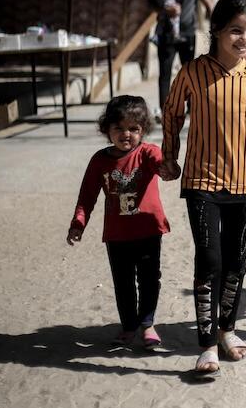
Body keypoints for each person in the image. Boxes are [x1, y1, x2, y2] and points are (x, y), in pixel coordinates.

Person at [160, 0, 246, 378]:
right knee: (210, 259)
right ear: (215, 30)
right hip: (201, 180)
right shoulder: (193, 72)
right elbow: (172, 112)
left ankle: (227, 330)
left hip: (245, 181)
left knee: (236, 260)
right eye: (236, 30)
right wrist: (169, 155)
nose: (245, 39)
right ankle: (205, 344)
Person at [67, 95, 172, 350]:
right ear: (107, 130)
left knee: (148, 279)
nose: (127, 134)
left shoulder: (148, 152)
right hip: (117, 235)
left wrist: (169, 170)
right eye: (119, 128)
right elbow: (87, 195)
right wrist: (78, 223)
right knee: (123, 283)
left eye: (134, 129)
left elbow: (161, 166)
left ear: (144, 130)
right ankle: (128, 327)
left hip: (148, 230)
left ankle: (147, 324)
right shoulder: (100, 161)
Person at [155, 0, 214, 112]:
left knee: (190, 72)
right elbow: (152, 2)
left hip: (187, 33)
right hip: (167, 34)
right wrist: (165, 8)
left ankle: (193, 107)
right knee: (165, 73)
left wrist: (217, 23)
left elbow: (208, 2)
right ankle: (165, 109)